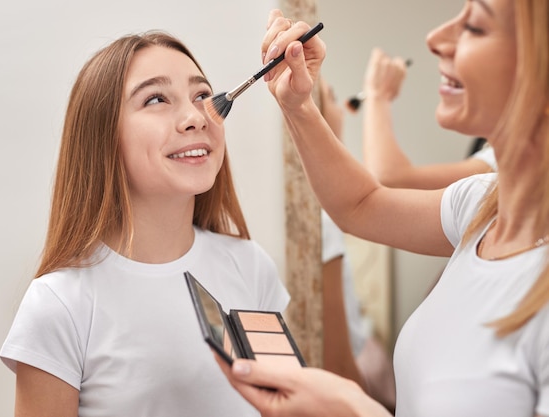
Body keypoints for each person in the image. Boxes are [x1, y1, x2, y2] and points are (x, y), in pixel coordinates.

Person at [216, 3, 549, 417]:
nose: (435, 39)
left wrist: (356, 410)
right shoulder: (482, 206)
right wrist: (298, 105)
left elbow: (384, 180)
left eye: (476, 27)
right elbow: (360, 204)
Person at [0, 31, 290, 417]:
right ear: (103, 137)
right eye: (156, 99)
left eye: (202, 95)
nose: (195, 117)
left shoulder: (251, 267)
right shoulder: (59, 303)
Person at [319, 77, 396, 412]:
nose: (342, 108)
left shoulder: (326, 216)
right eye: (332, 97)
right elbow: (338, 366)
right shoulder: (321, 223)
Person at [361, 47, 496, 189]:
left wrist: (378, 95)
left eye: (476, 31)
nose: (433, 41)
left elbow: (390, 178)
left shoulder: (509, 158)